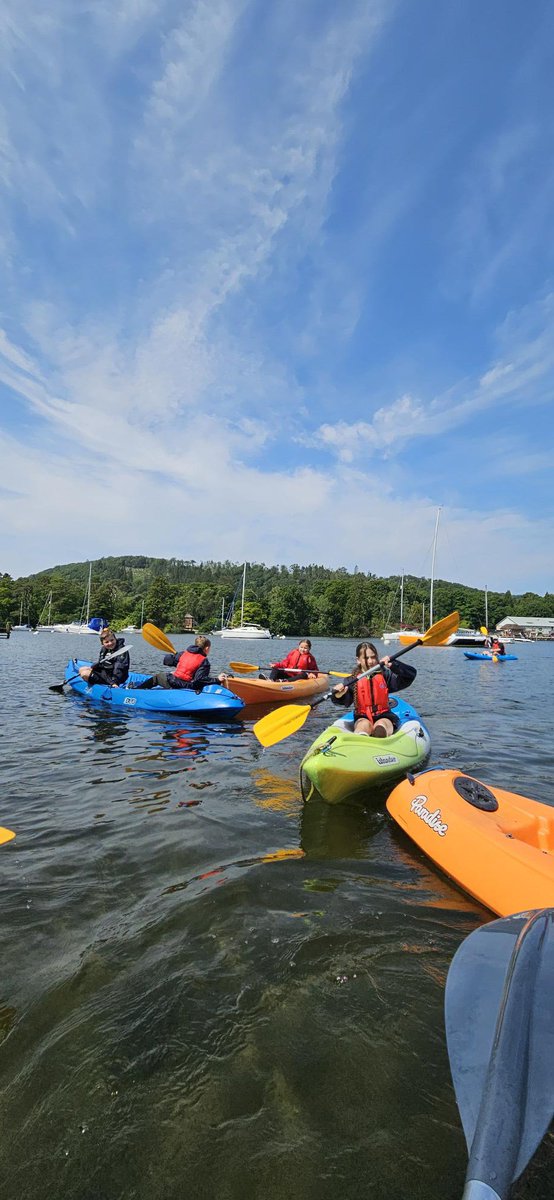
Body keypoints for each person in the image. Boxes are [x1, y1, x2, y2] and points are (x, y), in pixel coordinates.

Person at [331, 641, 416, 737]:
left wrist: (394, 665)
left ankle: (380, 736)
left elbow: (410, 675)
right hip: (362, 717)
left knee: (381, 725)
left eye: (373, 657)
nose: (371, 661)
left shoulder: (385, 676)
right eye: (366, 658)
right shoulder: (352, 680)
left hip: (384, 716)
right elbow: (342, 702)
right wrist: (337, 695)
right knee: (363, 725)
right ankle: (360, 740)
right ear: (358, 660)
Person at [133, 635, 228, 690]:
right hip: (184, 685)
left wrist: (176, 659)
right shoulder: (204, 661)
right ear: (207, 648)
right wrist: (217, 680)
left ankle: (138, 690)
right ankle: (138, 691)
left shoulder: (183, 653)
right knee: (162, 677)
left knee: (158, 677)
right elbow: (200, 679)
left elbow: (166, 660)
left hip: (173, 681)